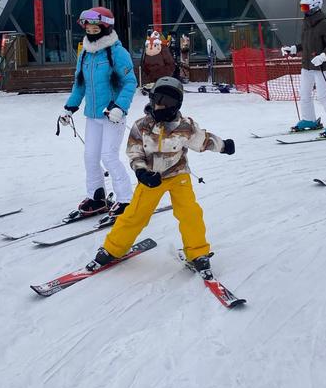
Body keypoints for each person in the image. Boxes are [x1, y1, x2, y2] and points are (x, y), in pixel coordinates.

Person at [86, 77, 234, 275]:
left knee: (190, 213)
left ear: (176, 105)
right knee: (135, 215)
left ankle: (197, 253)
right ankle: (113, 248)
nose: (161, 105)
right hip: (151, 177)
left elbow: (203, 140)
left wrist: (223, 145)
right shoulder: (142, 126)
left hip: (178, 175)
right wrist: (141, 172)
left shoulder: (185, 126)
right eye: (158, 99)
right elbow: (134, 152)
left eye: (168, 101)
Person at [61, 7, 138, 220]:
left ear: (105, 27)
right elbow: (79, 84)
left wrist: (119, 107)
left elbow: (130, 82)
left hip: (112, 115)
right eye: (88, 26)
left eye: (96, 26)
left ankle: (125, 200)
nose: (91, 30)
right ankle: (97, 196)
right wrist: (70, 108)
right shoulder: (85, 53)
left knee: (109, 156)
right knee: (90, 156)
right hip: (92, 115)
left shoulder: (117, 52)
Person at [280, 0, 326, 137]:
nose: (303, 10)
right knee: (304, 93)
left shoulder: (324, 24)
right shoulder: (307, 23)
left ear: (314, 6)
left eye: (305, 7)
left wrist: (323, 56)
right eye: (302, 7)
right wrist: (293, 49)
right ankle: (309, 119)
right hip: (307, 65)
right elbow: (306, 44)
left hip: (321, 66)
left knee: (323, 95)